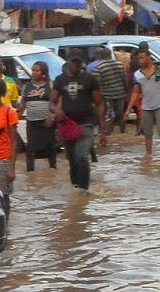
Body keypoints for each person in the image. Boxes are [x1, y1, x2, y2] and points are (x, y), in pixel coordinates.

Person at [51, 52, 106, 190]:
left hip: (86, 123)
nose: (75, 65)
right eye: (73, 62)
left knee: (81, 156)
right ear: (68, 62)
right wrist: (57, 111)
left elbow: (99, 103)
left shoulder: (90, 79)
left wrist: (102, 131)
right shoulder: (60, 80)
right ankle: (75, 188)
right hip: (68, 125)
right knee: (72, 160)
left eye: (78, 62)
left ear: (82, 63)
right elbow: (51, 103)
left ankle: (84, 190)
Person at [128, 49, 160, 157]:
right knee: (147, 134)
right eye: (139, 58)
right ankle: (149, 155)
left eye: (142, 58)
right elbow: (136, 92)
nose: (140, 60)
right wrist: (128, 109)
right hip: (146, 107)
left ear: (149, 57)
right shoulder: (138, 74)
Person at [19, 61, 57, 172]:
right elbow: (23, 104)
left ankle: (53, 169)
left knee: (50, 147)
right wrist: (17, 115)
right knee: (30, 149)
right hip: (32, 122)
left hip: (47, 121)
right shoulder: (27, 86)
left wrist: (52, 117)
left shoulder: (51, 85)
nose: (34, 72)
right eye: (33, 70)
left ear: (43, 72)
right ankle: (30, 172)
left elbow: (58, 102)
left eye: (37, 70)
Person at [89, 47, 129, 135]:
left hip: (106, 95)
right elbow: (125, 80)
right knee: (120, 114)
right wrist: (126, 91)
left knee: (108, 114)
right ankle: (123, 132)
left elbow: (97, 84)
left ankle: (107, 133)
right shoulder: (120, 65)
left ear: (102, 56)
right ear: (111, 54)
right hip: (120, 93)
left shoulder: (99, 68)